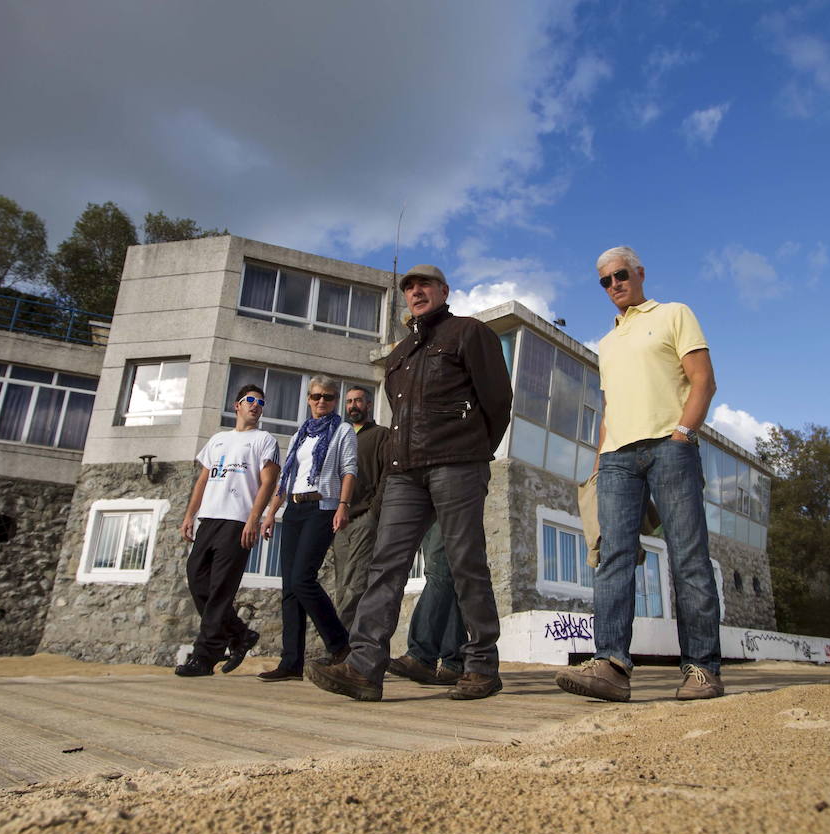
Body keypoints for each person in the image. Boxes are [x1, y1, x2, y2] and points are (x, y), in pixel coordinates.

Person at [306, 264, 512, 702]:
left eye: (424, 285)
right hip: (404, 472)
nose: (416, 291)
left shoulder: (469, 333)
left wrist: (475, 450)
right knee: (385, 566)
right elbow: (401, 417)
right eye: (409, 287)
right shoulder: (400, 355)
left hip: (457, 463)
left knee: (464, 563)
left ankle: (481, 666)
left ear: (443, 290)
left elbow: (498, 400)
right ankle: (363, 667)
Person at [554, 246, 724, 702]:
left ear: (640, 273)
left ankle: (701, 668)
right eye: (605, 281)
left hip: (670, 449)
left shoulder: (674, 314)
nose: (614, 285)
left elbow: (703, 379)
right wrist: (598, 464)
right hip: (616, 461)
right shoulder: (607, 343)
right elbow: (610, 409)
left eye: (621, 275)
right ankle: (611, 665)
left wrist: (683, 435)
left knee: (688, 557)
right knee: (612, 560)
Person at [176, 383, 281, 677]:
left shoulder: (265, 440)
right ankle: (239, 634)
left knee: (221, 590)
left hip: (237, 522)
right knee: (197, 580)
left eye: (261, 402)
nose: (255, 405)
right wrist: (189, 515)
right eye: (250, 400)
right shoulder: (218, 439)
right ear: (237, 405)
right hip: (208, 520)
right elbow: (203, 480)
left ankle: (205, 657)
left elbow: (269, 483)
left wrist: (253, 519)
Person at [257, 376, 358, 681]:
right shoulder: (301, 432)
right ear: (309, 399)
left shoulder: (343, 431)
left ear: (335, 400)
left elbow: (349, 470)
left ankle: (340, 645)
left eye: (327, 397)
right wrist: (271, 513)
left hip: (322, 507)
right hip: (295, 509)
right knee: (289, 587)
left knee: (303, 579)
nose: (321, 402)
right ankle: (291, 662)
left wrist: (343, 505)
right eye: (316, 397)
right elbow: (287, 475)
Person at [329, 385, 390, 627]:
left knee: (356, 583)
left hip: (365, 517)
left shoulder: (380, 435)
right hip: (339, 520)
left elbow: (388, 473)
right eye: (349, 402)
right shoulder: (340, 437)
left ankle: (342, 646)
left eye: (358, 401)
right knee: (342, 583)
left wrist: (375, 511)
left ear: (369, 405)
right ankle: (343, 645)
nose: (353, 406)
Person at [385, 521, 465, 686]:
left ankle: (421, 655)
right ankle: (454, 661)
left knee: (439, 572)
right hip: (428, 503)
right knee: (443, 577)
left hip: (451, 501)